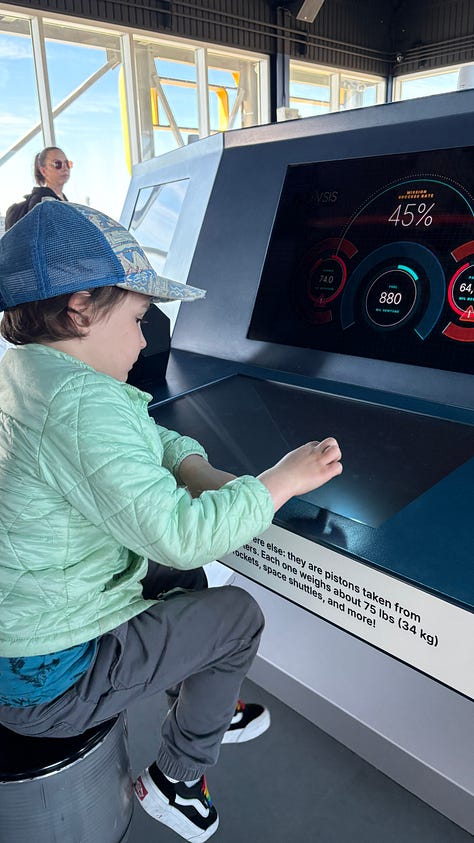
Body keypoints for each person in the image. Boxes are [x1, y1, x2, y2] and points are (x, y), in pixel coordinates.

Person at [0, 200, 343, 842]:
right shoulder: (79, 399)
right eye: (137, 319)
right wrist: (280, 482)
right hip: (46, 683)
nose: (144, 339)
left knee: (180, 580)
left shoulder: (28, 371)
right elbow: (185, 534)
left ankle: (201, 704)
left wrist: (199, 471)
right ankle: (176, 781)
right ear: (79, 308)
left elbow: (139, 435)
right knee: (237, 618)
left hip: (28, 627)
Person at [4, 146, 72, 230]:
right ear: (43, 171)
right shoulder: (41, 201)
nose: (65, 168)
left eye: (67, 164)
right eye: (57, 164)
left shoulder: (62, 200)